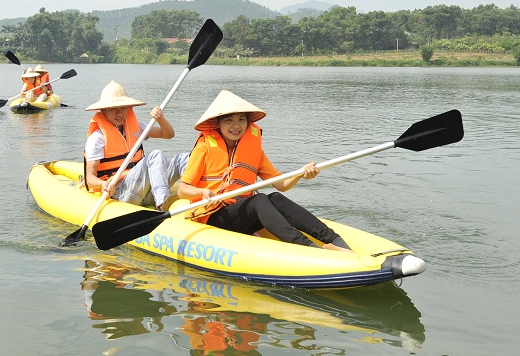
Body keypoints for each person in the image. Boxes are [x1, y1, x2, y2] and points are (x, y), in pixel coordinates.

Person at [177, 89, 350, 251]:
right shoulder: (204, 147)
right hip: (211, 217)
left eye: (241, 119)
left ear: (248, 122)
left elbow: (281, 185)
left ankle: (334, 240)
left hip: (240, 216)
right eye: (229, 120)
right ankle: (310, 248)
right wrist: (204, 192)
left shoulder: (254, 152)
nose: (236, 126)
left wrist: (301, 173)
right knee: (259, 200)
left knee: (275, 198)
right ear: (218, 124)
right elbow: (182, 190)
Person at [84, 81, 188, 211]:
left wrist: (160, 118)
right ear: (103, 111)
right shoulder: (97, 138)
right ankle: (163, 204)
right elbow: (90, 178)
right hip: (120, 192)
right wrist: (103, 184)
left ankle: (199, 194)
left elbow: (168, 134)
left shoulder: (136, 127)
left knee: (183, 158)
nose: (119, 113)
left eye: (123, 107)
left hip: (144, 190)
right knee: (156, 155)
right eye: (113, 108)